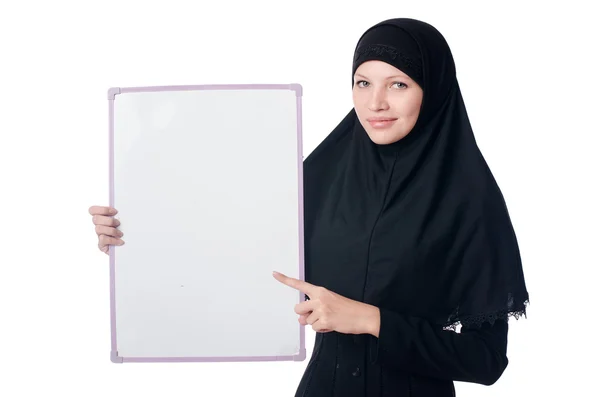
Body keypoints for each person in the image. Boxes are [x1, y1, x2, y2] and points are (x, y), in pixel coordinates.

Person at [89, 18, 529, 397]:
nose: (375, 103)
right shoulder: (322, 176)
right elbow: (231, 247)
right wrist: (132, 240)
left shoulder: (470, 200)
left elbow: (486, 360)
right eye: (363, 82)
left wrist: (371, 320)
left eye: (398, 83)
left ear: (432, 91)